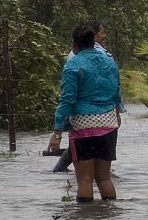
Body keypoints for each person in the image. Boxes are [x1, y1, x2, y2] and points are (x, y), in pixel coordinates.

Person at [49, 22, 124, 203]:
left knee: (85, 180)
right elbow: (116, 93)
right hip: (108, 125)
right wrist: (117, 114)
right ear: (93, 41)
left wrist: (57, 133)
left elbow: (67, 101)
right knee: (104, 178)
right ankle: (111, 215)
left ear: (75, 44)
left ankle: (85, 218)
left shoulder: (73, 65)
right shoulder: (109, 62)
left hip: (83, 127)